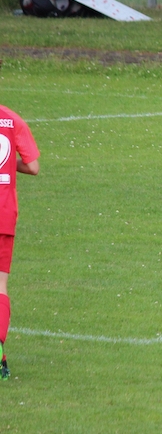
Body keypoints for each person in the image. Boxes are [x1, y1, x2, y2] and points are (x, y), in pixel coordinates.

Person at [0, 104, 41, 381]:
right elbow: (33, 167)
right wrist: (9, 165)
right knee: (0, 286)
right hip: (4, 212)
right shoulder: (12, 119)